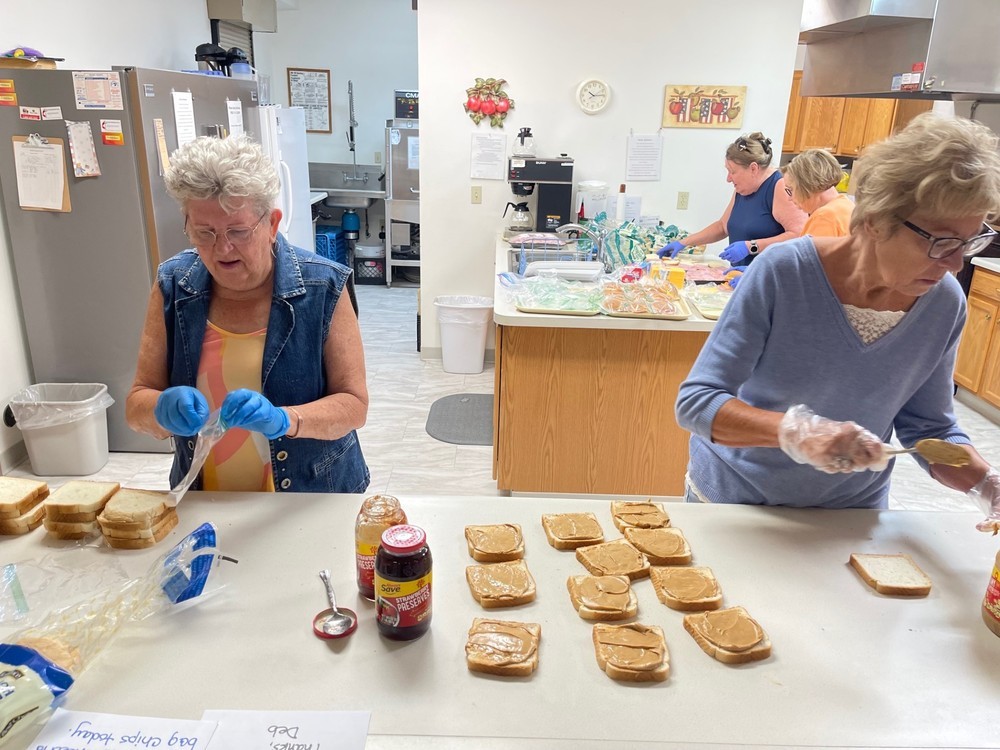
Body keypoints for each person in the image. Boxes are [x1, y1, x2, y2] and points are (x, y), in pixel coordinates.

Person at [674, 112, 1000, 530]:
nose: (956, 265)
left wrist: (986, 483)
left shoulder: (942, 303)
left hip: (848, 517)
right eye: (941, 241)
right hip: (735, 507)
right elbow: (698, 402)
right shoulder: (784, 273)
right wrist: (795, 432)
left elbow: (929, 428)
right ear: (874, 222)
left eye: (970, 241)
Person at [126, 135, 370, 494]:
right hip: (206, 499)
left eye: (238, 231)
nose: (222, 248)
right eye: (203, 232)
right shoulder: (173, 285)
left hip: (310, 497)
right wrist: (160, 409)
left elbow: (353, 405)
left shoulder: (323, 286)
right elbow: (136, 403)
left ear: (272, 224)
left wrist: (286, 419)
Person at [658, 132, 807, 267]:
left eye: (733, 172)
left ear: (753, 169)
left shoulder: (779, 186)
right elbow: (723, 226)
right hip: (740, 276)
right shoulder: (743, 189)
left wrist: (751, 247)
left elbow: (798, 236)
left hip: (766, 280)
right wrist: (684, 242)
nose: (728, 179)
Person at [782, 148, 854, 237]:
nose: (790, 198)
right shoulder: (846, 205)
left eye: (791, 189)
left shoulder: (824, 217)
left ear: (806, 185)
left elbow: (811, 251)